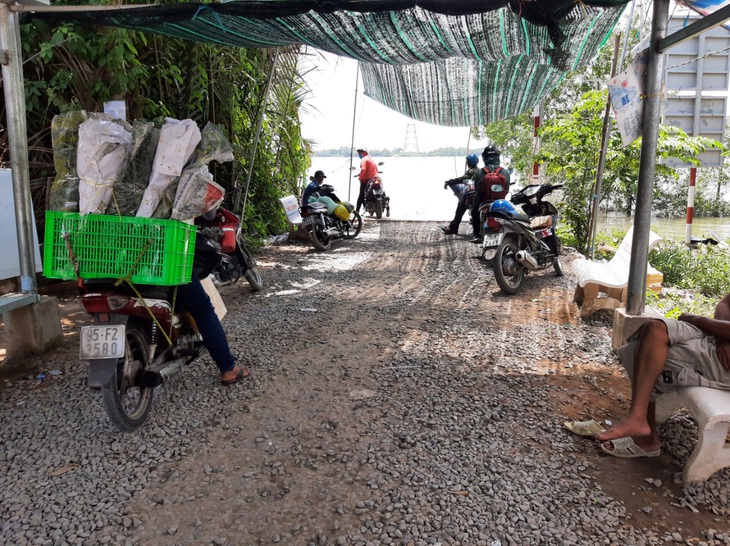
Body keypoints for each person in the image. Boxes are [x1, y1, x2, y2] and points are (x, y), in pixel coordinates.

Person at [596, 294, 730, 458]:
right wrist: (723, 335)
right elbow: (725, 303)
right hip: (717, 335)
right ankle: (638, 420)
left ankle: (646, 436)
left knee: (648, 353)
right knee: (654, 328)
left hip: (724, 363)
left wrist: (697, 319)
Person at [186, 217, 250, 385]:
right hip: (167, 262)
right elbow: (207, 214)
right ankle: (229, 368)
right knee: (203, 310)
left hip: (118, 267)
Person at [470, 145, 510, 243]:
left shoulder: (480, 172)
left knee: (474, 211)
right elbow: (507, 189)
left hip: (484, 202)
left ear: (484, 158)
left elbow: (477, 190)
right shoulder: (505, 172)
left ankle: (477, 234)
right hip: (500, 202)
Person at [441, 153, 480, 235]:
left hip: (472, 194)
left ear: (469, 162)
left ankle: (453, 228)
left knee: (460, 209)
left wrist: (449, 182)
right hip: (479, 194)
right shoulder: (479, 171)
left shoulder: (471, 172)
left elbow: (461, 179)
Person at [355, 148, 379, 213]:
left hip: (367, 181)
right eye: (359, 153)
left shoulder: (364, 159)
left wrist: (360, 178)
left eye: (360, 152)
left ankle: (357, 211)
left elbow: (363, 170)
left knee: (361, 195)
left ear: (364, 152)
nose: (359, 154)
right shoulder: (371, 159)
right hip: (375, 179)